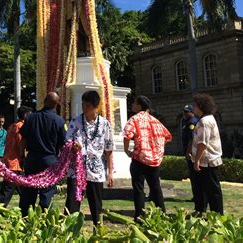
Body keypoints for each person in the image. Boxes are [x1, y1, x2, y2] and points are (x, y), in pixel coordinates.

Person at [65, 91, 114, 226]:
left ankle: (98, 232)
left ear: (95, 107)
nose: (84, 108)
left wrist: (110, 172)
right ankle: (69, 233)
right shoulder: (75, 122)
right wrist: (73, 147)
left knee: (96, 206)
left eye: (88, 106)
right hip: (76, 170)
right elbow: (67, 143)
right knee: (72, 205)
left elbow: (109, 149)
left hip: (96, 172)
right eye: (83, 105)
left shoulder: (104, 124)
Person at [123, 95, 172, 220]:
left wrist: (126, 150)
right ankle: (162, 214)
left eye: (134, 103)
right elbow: (167, 136)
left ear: (139, 105)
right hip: (154, 160)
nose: (132, 105)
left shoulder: (134, 119)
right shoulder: (155, 121)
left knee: (139, 188)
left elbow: (127, 134)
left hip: (139, 158)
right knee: (155, 187)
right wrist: (156, 148)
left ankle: (140, 215)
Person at [19, 92, 66, 216]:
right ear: (56, 104)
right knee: (47, 190)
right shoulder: (59, 121)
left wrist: (21, 157)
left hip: (32, 158)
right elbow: (63, 145)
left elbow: (23, 139)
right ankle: (43, 216)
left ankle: (26, 216)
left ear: (44, 101)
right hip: (49, 160)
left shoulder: (31, 117)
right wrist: (63, 163)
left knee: (29, 189)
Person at [190, 93, 223, 214]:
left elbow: (202, 143)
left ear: (200, 106)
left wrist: (197, 160)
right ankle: (202, 211)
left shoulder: (204, 121)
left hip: (207, 160)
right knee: (205, 188)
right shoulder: (208, 119)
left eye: (195, 105)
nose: (193, 108)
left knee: (212, 190)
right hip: (208, 160)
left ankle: (217, 214)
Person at [0, 106, 32, 207]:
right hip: (16, 163)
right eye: (30, 114)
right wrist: (23, 157)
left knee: (21, 189)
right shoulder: (21, 126)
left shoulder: (12, 126)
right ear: (25, 115)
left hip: (8, 160)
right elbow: (20, 143)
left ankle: (26, 210)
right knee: (8, 189)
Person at [181, 104, 198, 203]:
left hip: (192, 153)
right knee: (193, 176)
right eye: (184, 112)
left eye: (187, 112)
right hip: (190, 152)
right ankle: (196, 195)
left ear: (192, 112)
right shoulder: (186, 122)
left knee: (195, 176)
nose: (185, 114)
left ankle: (197, 196)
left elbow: (192, 139)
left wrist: (188, 152)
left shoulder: (192, 123)